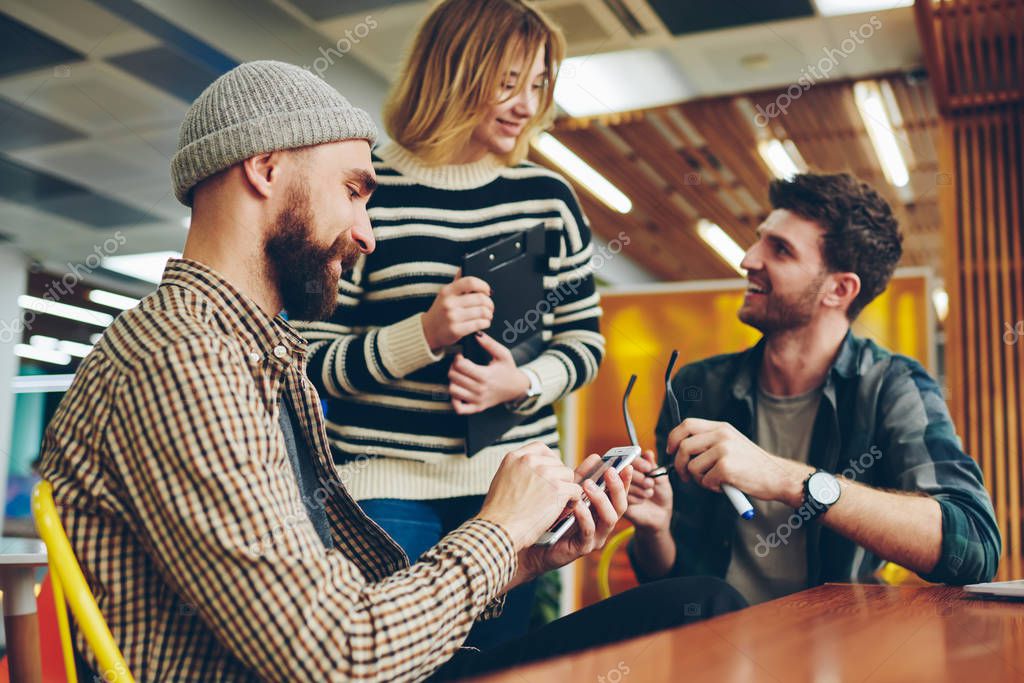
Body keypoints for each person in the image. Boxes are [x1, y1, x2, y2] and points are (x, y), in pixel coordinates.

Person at [38, 60, 743, 682]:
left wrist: (528, 552)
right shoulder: (185, 361)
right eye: (353, 191)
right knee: (699, 608)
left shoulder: (252, 355)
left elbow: (340, 614)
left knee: (693, 606)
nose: (368, 233)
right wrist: (497, 529)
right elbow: (337, 656)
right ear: (265, 167)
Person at [291, 0, 603, 647]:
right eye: (509, 81)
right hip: (384, 485)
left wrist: (521, 383)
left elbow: (583, 340)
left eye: (539, 84)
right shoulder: (367, 187)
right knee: (388, 655)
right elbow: (310, 352)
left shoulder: (549, 200)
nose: (527, 104)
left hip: (512, 479)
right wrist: (422, 335)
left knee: (493, 664)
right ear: (453, 70)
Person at [625, 172, 1001, 605]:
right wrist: (654, 531)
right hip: (709, 644)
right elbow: (667, 579)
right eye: (759, 239)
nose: (748, 258)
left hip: (835, 655)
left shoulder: (891, 387)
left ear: (839, 289)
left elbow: (974, 545)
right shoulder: (696, 388)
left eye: (779, 249)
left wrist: (785, 478)